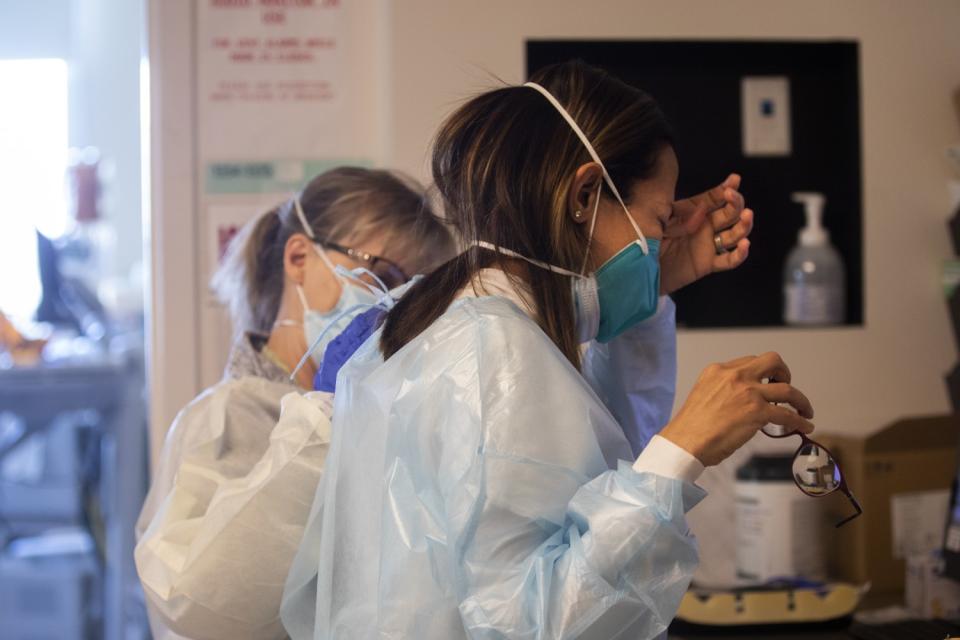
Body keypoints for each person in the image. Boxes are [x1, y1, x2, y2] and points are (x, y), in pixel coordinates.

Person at [280, 62, 816, 640]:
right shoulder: (494, 351)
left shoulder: (463, 316)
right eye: (658, 220)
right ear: (586, 193)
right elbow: (529, 622)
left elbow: (599, 464)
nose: (658, 243)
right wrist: (681, 453)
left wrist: (653, 281)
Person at [135, 167, 454, 639]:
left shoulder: (370, 411)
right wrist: (321, 421)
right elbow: (198, 606)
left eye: (413, 291)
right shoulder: (227, 419)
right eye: (380, 275)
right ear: (300, 257)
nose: (393, 304)